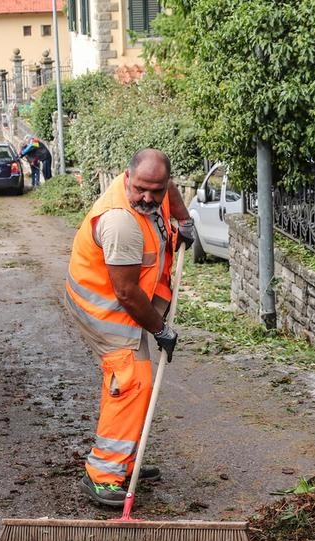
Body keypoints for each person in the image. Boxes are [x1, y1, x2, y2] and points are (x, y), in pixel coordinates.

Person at [64, 148, 195, 507]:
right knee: (132, 380)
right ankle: (103, 477)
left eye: (156, 190)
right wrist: (160, 330)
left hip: (127, 300)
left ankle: (125, 461)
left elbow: (170, 194)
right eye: (141, 189)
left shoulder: (157, 189)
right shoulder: (120, 221)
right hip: (103, 306)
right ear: (126, 177)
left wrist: (183, 221)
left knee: (135, 379)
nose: (148, 198)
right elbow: (125, 292)